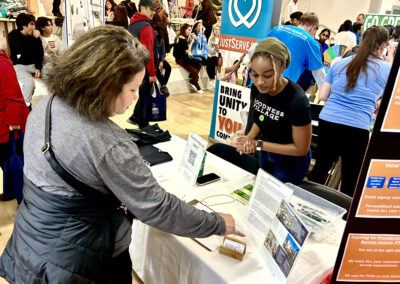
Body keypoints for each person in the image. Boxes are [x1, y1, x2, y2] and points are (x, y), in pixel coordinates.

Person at [0, 25, 244, 283]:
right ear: (106, 84)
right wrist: (217, 222)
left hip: (33, 241)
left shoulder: (49, 104)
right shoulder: (107, 142)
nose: (135, 97)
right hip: (84, 263)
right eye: (132, 89)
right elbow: (158, 208)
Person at [309, 26, 393, 197]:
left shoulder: (339, 63)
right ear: (384, 45)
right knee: (350, 177)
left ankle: (308, 204)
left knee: (321, 167)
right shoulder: (387, 69)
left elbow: (323, 95)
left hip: (329, 121)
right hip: (357, 127)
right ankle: (344, 219)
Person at [235, 37, 312, 185]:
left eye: (268, 75)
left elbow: (301, 148)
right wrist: (249, 138)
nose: (260, 82)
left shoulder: (297, 101)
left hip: (290, 161)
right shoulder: (257, 90)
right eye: (255, 75)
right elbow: (261, 118)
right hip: (267, 152)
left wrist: (257, 144)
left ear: (283, 67)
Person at [253, 13, 325, 90]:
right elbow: (319, 74)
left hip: (259, 84)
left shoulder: (277, 29)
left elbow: (252, 49)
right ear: (313, 27)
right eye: (314, 32)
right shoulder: (311, 42)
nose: (313, 35)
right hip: (280, 89)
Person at [0, 49, 30, 202]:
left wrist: (14, 122)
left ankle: (24, 198)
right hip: (4, 121)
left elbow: (12, 95)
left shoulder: (1, 62)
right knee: (6, 160)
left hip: (9, 123)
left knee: (13, 159)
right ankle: (12, 191)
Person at [127, 0, 158, 128]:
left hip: (134, 65)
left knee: (143, 94)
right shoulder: (146, 27)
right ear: (143, 8)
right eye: (151, 9)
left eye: (155, 10)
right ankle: (143, 125)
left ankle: (135, 116)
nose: (154, 12)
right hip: (144, 68)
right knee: (145, 97)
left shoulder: (132, 24)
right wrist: (152, 73)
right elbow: (148, 52)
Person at [8, 13, 44, 109]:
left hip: (34, 65)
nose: (34, 27)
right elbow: (22, 49)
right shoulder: (13, 35)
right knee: (29, 84)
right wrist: (34, 38)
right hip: (19, 66)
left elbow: (40, 53)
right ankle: (25, 107)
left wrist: (38, 68)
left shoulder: (35, 37)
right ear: (24, 26)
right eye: (32, 24)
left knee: (54, 74)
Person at [173, 23, 203, 94]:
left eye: (190, 30)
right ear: (184, 30)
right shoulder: (181, 39)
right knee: (195, 71)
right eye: (189, 30)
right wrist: (192, 41)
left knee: (198, 64)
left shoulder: (179, 37)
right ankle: (196, 84)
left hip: (184, 57)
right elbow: (187, 50)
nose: (190, 32)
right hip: (181, 59)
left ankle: (193, 79)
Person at [154, 25, 171, 96]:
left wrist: (161, 61)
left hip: (159, 58)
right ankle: (163, 85)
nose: (154, 32)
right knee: (156, 68)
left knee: (169, 68)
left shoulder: (161, 40)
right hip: (153, 59)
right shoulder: (151, 40)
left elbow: (163, 52)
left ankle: (163, 84)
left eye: (155, 31)